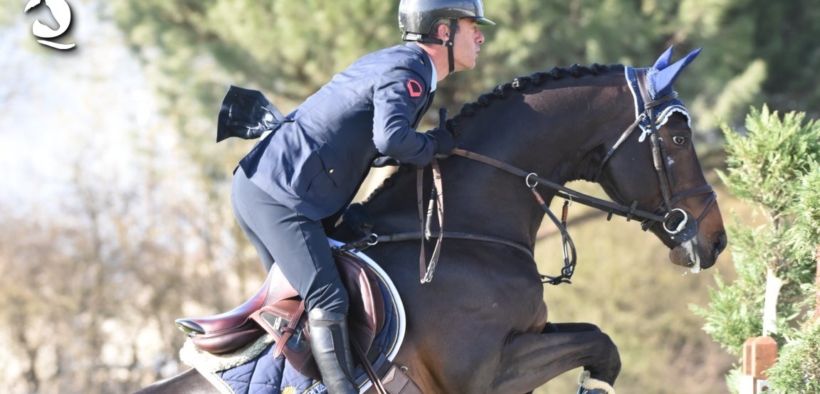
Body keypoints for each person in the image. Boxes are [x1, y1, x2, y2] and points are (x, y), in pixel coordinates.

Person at [229, 1, 493, 392]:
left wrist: (423, 145)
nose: (481, 36)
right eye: (472, 26)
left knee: (299, 309)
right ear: (443, 32)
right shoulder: (409, 69)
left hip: (268, 187)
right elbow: (392, 138)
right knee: (328, 300)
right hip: (281, 196)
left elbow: (377, 142)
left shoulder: (400, 62)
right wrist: (433, 145)